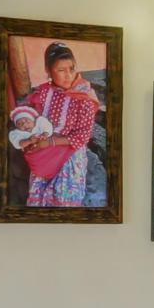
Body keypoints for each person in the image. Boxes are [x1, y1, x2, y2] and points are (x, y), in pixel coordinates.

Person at [10, 41, 102, 209]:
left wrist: (50, 142)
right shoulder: (44, 92)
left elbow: (82, 137)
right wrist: (31, 138)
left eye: (71, 69)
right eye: (61, 70)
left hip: (69, 149)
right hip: (43, 150)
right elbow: (32, 119)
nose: (68, 75)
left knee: (63, 199)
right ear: (48, 71)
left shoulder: (84, 97)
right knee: (38, 199)